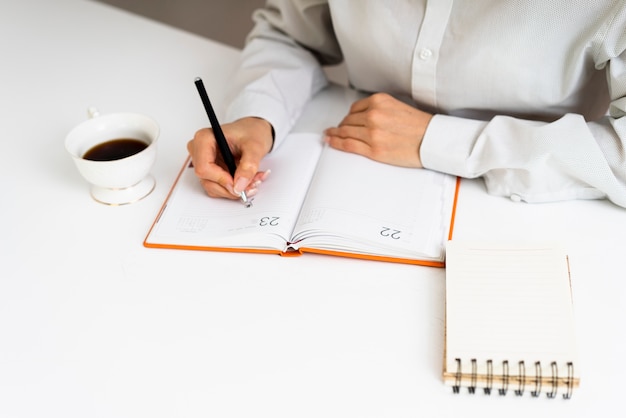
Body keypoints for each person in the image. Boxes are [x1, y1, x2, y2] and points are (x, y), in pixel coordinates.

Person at [187, 0, 626, 208]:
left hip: (537, 208)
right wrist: (257, 115)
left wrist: (440, 141)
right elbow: (290, 33)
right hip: (351, 175)